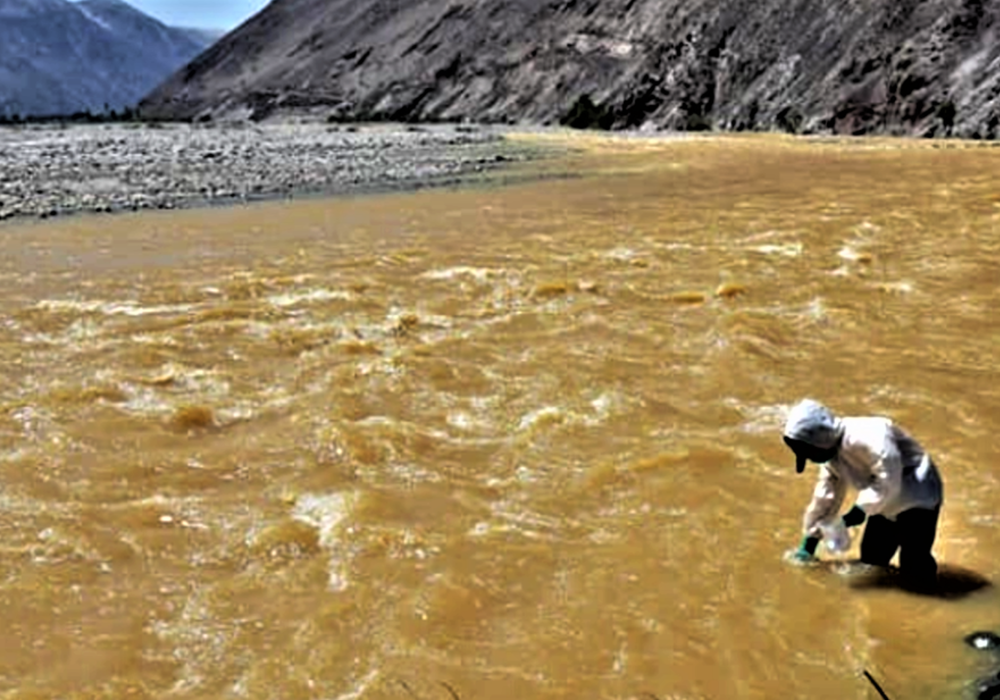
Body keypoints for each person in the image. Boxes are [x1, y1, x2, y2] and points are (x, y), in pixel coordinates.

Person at [782, 398, 944, 589]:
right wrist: (810, 541)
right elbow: (825, 499)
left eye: (808, 452)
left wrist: (856, 513)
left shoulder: (870, 434)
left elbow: (889, 479)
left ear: (819, 438)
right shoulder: (829, 458)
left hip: (918, 494)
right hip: (883, 503)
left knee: (914, 561)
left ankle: (929, 603)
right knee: (871, 558)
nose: (809, 458)